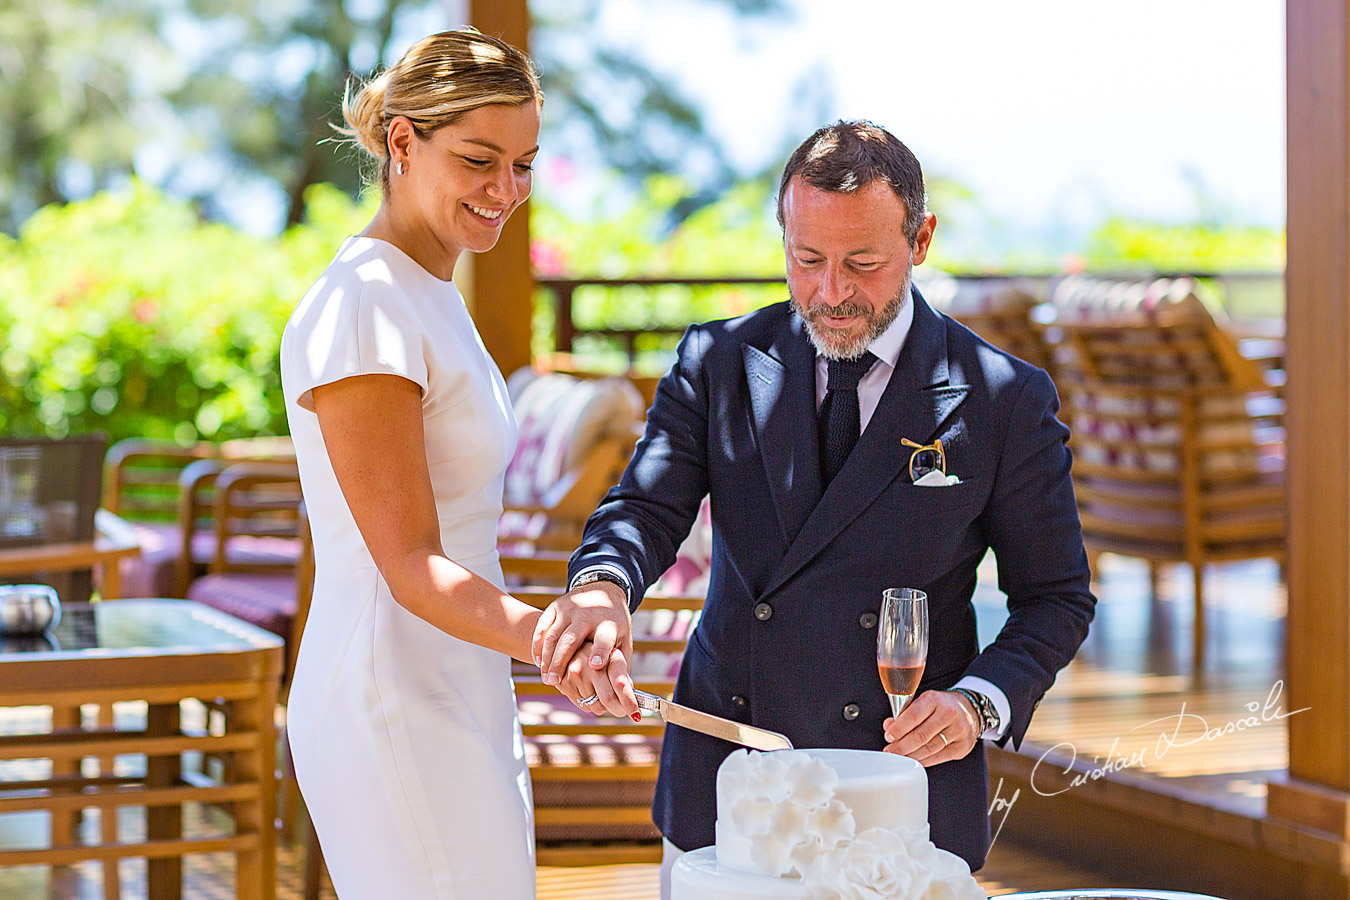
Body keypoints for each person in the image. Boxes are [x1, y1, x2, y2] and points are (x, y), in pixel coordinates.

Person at [534, 120, 1096, 893]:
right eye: (808, 260)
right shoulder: (718, 361)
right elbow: (643, 508)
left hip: (902, 796)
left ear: (921, 238)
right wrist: (602, 585)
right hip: (733, 788)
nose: (831, 294)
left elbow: (1056, 598)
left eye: (863, 263)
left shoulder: (1004, 398)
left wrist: (978, 704)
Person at [279, 29, 636, 899]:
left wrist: (531, 645)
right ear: (403, 142)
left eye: (523, 164)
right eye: (480, 159)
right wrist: (551, 639)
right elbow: (407, 565)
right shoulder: (365, 307)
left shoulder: (429, 292)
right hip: (392, 691)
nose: (505, 191)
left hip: (460, 673)